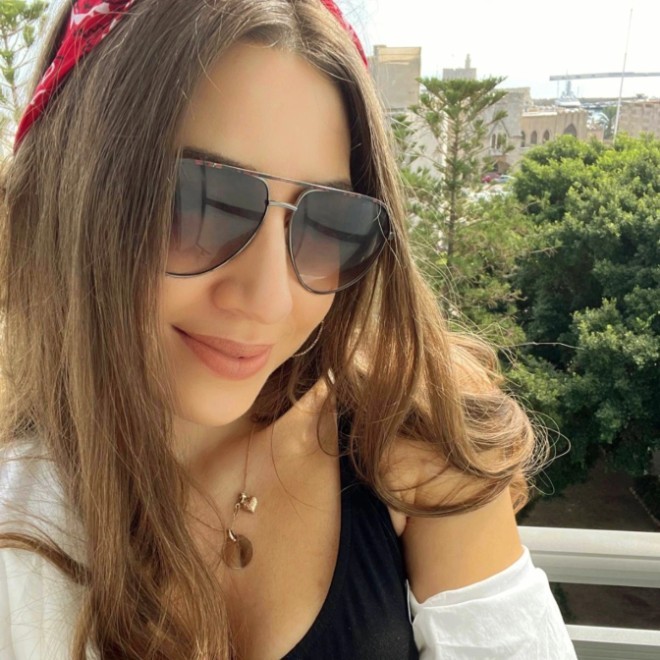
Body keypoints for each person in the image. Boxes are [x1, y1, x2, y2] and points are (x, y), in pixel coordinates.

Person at [0, 1, 578, 658]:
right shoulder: (18, 515)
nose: (271, 300)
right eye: (196, 205)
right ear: (67, 197)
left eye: (330, 223)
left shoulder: (412, 443)